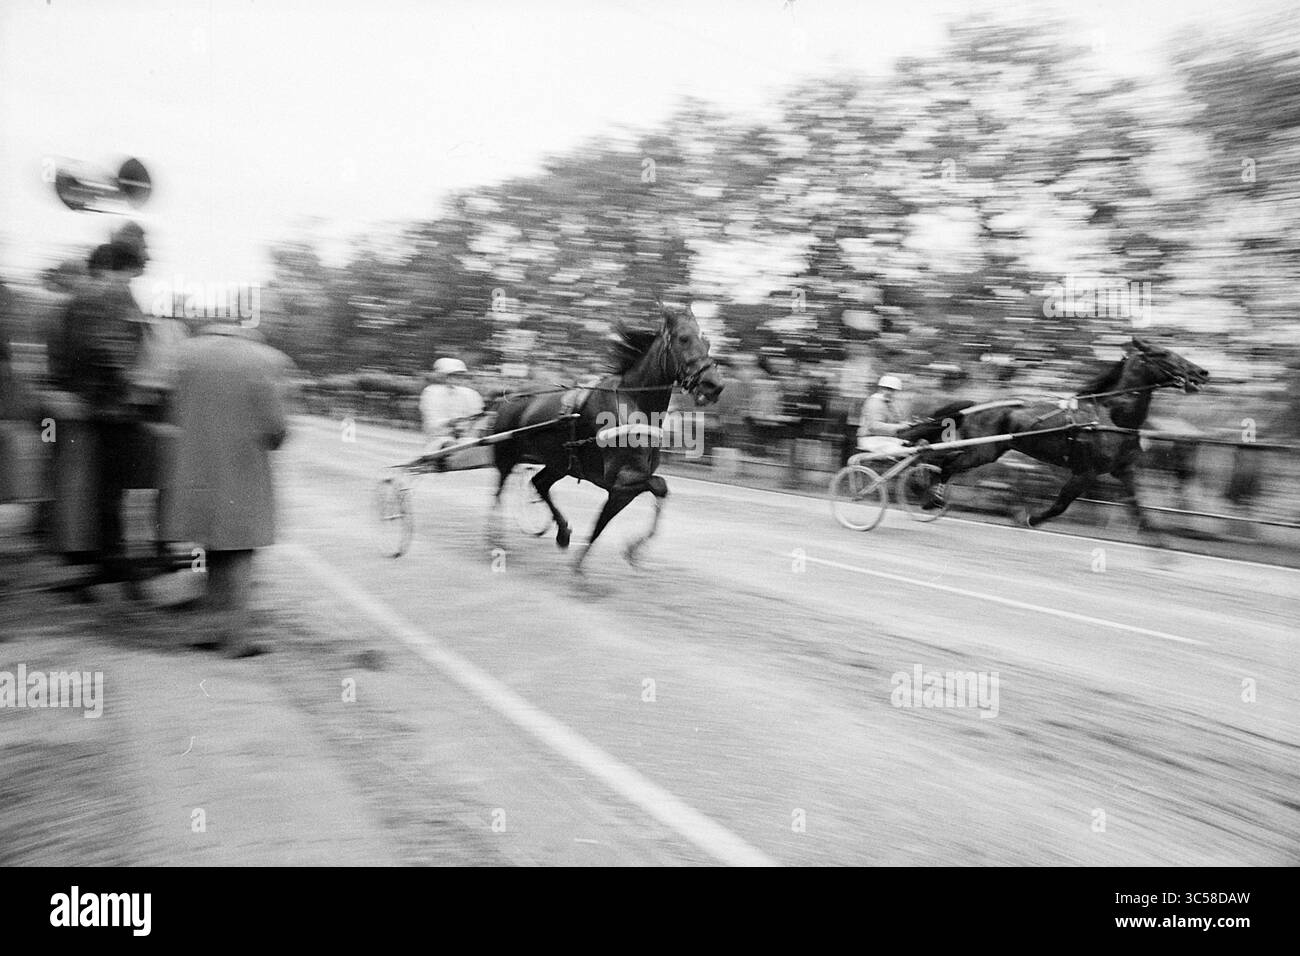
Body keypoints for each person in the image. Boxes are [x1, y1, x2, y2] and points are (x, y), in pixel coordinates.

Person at [164, 322, 291, 657]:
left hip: (197, 466)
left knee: (210, 549)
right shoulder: (259, 359)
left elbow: (170, 408)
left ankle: (205, 629)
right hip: (241, 467)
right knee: (242, 551)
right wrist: (274, 440)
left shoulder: (187, 356)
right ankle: (236, 639)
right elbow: (276, 426)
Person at [419, 357, 484, 452]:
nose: (457, 379)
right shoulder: (431, 392)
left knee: (478, 446)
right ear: (443, 376)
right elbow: (431, 423)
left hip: (466, 439)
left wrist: (470, 431)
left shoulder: (471, 394)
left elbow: (478, 419)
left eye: (460, 375)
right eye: (453, 375)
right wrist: (451, 422)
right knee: (449, 445)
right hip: (439, 439)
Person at [857, 374, 910, 457]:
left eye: (893, 390)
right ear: (880, 388)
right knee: (904, 453)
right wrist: (901, 426)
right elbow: (875, 426)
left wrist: (906, 424)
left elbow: (897, 420)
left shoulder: (889, 403)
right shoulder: (874, 403)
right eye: (888, 389)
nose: (891, 393)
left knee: (912, 448)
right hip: (872, 440)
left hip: (884, 439)